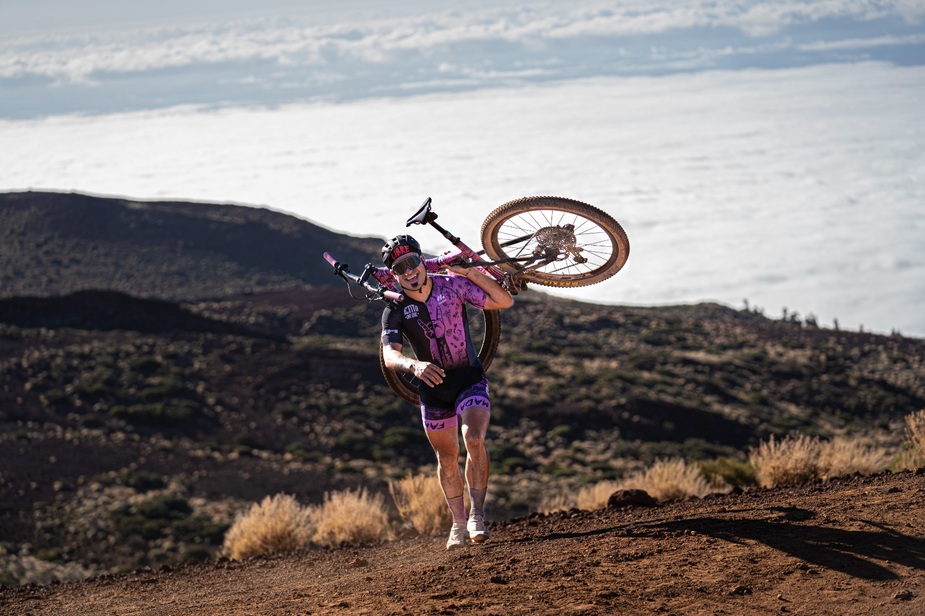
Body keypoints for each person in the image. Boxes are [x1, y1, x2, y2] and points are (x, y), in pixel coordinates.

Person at [380, 234, 514, 549]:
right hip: (432, 387)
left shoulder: (451, 285)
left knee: (475, 439)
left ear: (421, 261)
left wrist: (468, 272)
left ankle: (477, 516)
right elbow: (389, 355)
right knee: (447, 457)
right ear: (395, 275)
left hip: (468, 376)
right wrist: (413, 366)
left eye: (413, 262)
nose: (409, 272)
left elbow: (504, 301)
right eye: (401, 268)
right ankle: (457, 525)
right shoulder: (395, 307)